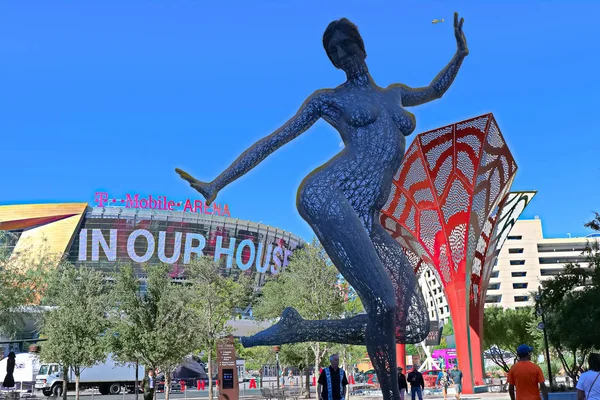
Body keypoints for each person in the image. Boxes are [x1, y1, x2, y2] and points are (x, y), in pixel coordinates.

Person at [177, 12, 468, 400]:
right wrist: (218, 182)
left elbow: (436, 90)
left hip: (368, 217)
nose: (342, 54)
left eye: (347, 45)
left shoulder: (394, 92)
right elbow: (275, 139)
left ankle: (298, 330)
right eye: (334, 51)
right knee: (383, 302)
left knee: (412, 323)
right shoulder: (329, 99)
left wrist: (460, 54)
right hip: (329, 195)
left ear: (362, 47)